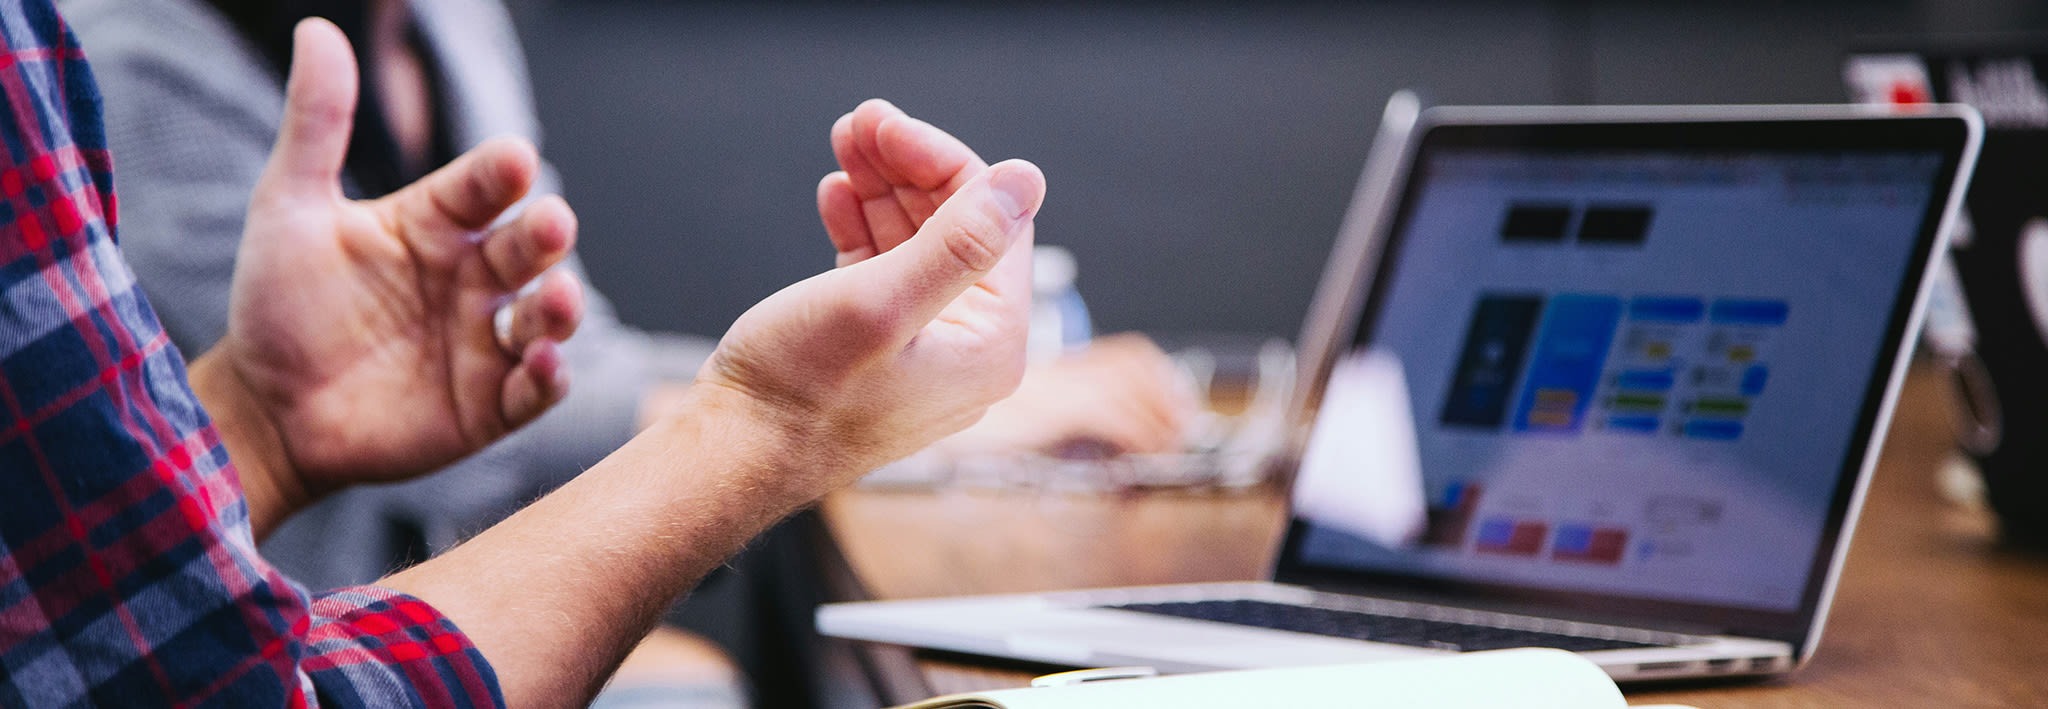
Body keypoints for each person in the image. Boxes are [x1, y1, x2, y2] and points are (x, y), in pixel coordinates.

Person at [3, 1, 1047, 705]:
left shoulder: (450, 21)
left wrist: (261, 425)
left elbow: (563, 349)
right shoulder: (105, 48)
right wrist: (773, 424)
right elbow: (219, 687)